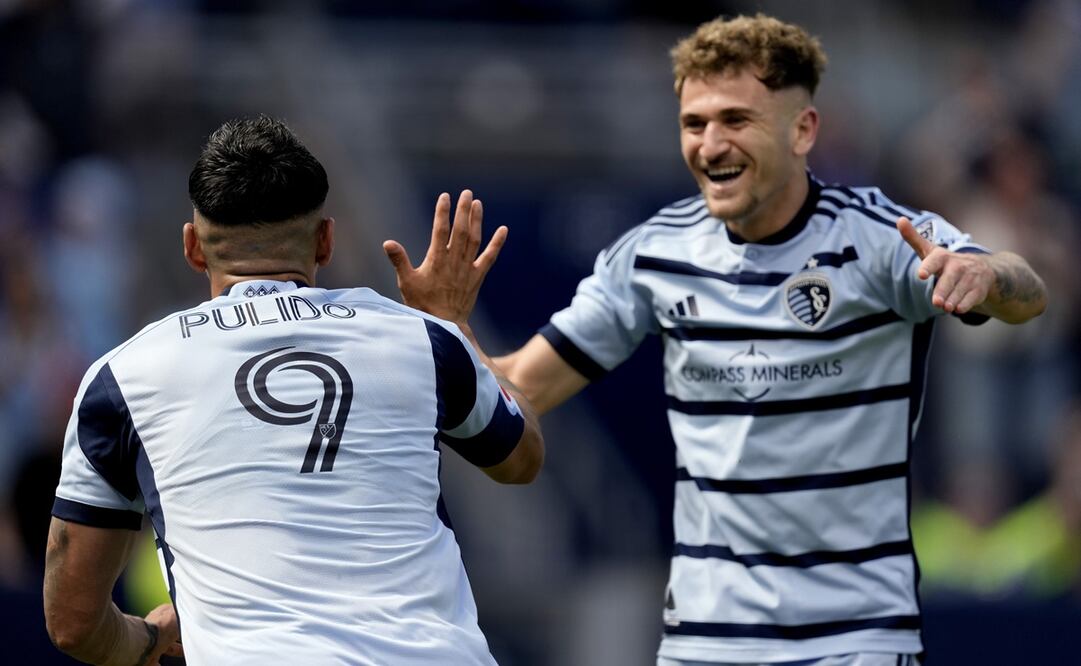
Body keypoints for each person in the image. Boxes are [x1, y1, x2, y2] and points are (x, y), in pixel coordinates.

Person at [382, 13, 1047, 666]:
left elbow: (1025, 291)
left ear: (802, 129)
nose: (709, 144)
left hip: (851, 638)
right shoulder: (653, 254)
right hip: (705, 640)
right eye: (693, 124)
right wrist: (451, 331)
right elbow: (522, 386)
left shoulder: (879, 238)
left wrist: (984, 272)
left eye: (736, 120)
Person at [44, 116, 543, 666]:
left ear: (193, 248)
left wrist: (149, 640)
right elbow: (521, 459)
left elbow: (72, 622)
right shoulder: (422, 340)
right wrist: (455, 324)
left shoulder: (124, 379)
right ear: (326, 241)